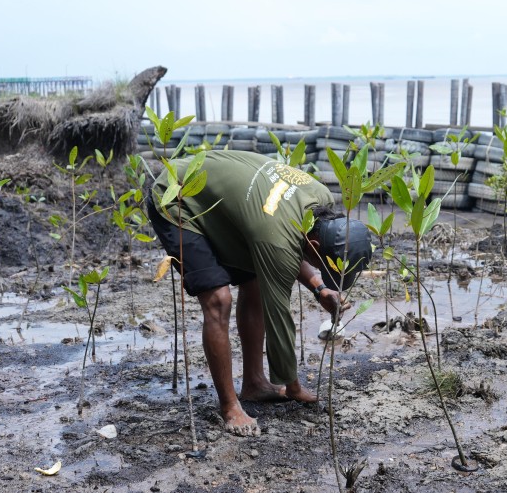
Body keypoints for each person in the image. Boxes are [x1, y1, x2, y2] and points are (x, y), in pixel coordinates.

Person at [148, 150, 372, 435]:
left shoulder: (320, 199)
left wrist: (320, 288)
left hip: (229, 204)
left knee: (253, 283)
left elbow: (293, 245)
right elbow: (278, 315)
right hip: (178, 197)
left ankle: (254, 384)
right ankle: (230, 408)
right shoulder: (277, 236)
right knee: (218, 300)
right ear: (316, 246)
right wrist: (293, 386)